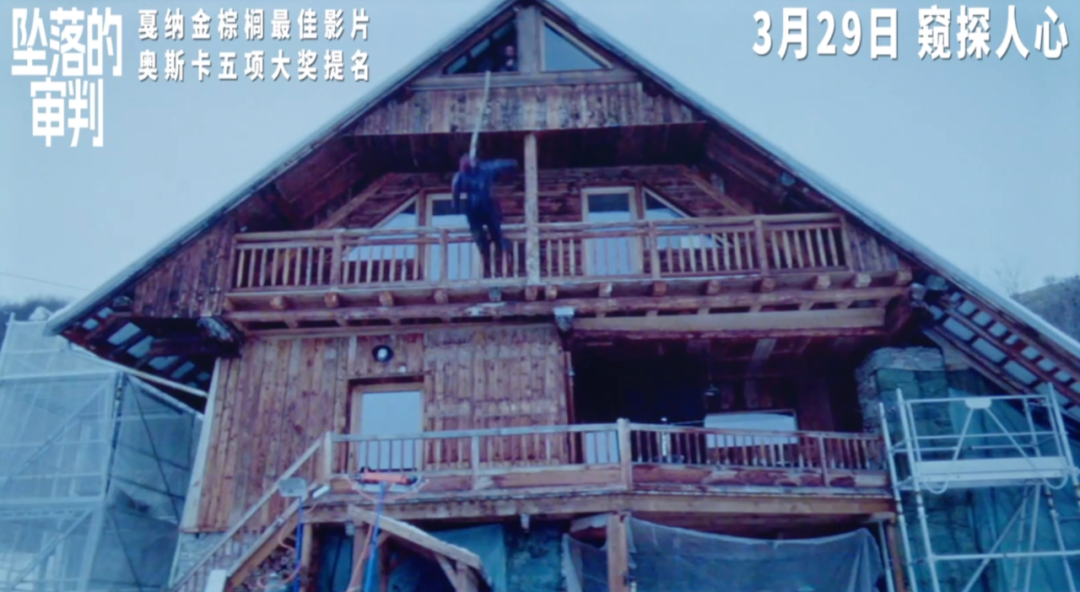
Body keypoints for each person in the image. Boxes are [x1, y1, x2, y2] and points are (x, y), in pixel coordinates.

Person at [451, 154, 517, 259]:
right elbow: (455, 194)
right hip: (476, 210)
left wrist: (512, 164)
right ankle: (488, 254)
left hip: (486, 208)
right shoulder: (461, 176)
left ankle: (503, 250)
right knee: (482, 236)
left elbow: (499, 165)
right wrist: (456, 207)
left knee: (495, 234)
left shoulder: (484, 169)